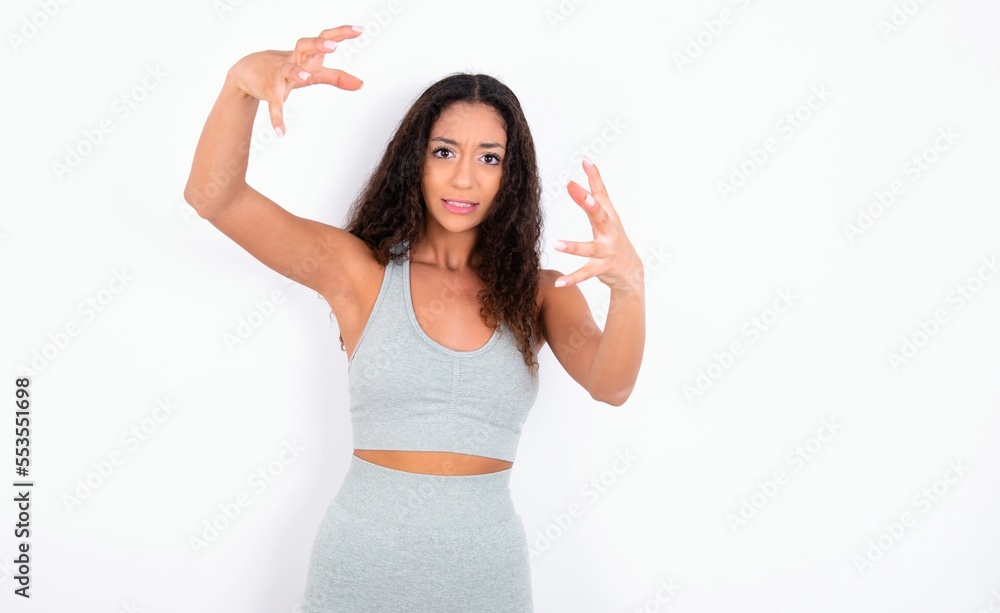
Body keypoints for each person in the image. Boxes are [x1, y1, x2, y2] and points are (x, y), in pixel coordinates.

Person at [183, 23, 645, 613]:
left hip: (486, 579)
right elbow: (214, 197)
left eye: (489, 158)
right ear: (415, 161)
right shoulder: (359, 273)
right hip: (361, 570)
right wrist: (240, 83)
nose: (463, 177)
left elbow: (612, 384)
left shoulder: (541, 293)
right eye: (444, 151)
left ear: (511, 175)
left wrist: (629, 286)